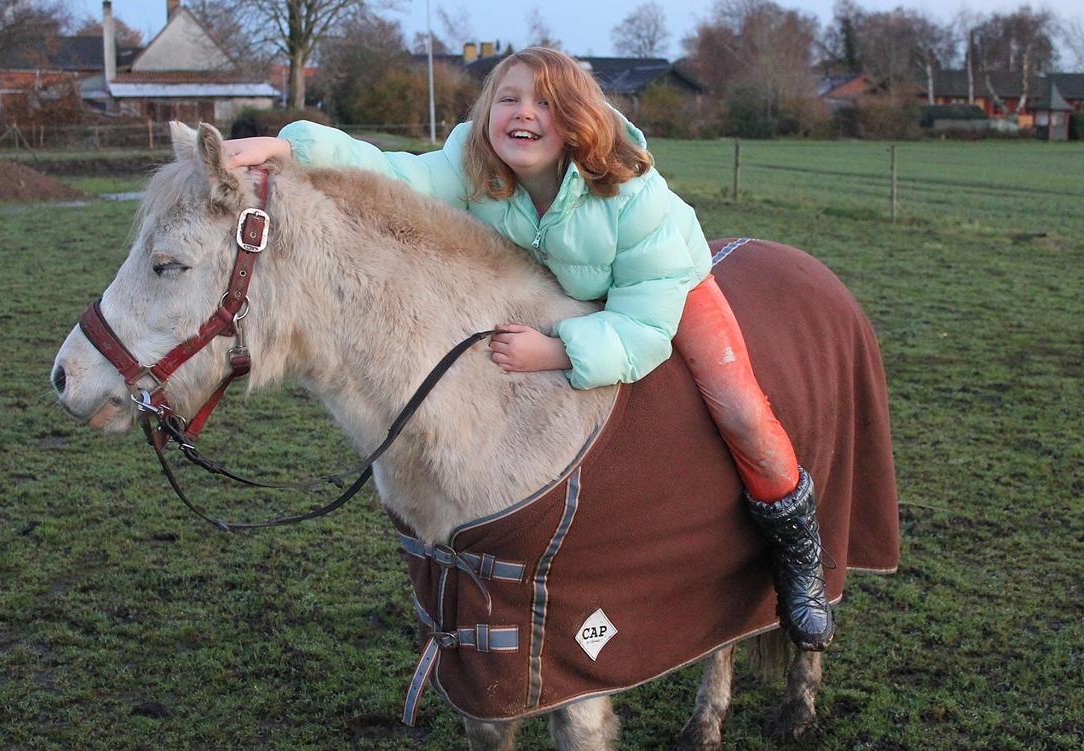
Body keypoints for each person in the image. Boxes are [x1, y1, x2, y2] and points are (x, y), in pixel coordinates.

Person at [223, 48, 833, 651]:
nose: (524, 113)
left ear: (574, 118)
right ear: (488, 112)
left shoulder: (630, 192)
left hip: (659, 284)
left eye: (545, 102)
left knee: (740, 409)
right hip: (559, 286)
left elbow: (644, 328)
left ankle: (798, 554)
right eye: (508, 98)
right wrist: (292, 149)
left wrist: (558, 351)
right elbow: (397, 174)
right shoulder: (476, 165)